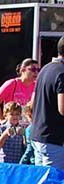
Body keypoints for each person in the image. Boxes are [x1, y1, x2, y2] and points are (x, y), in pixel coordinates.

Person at [30, 36, 64, 169]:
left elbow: (31, 104)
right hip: (54, 139)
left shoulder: (45, 69)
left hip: (38, 135)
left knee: (42, 182)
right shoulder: (62, 73)